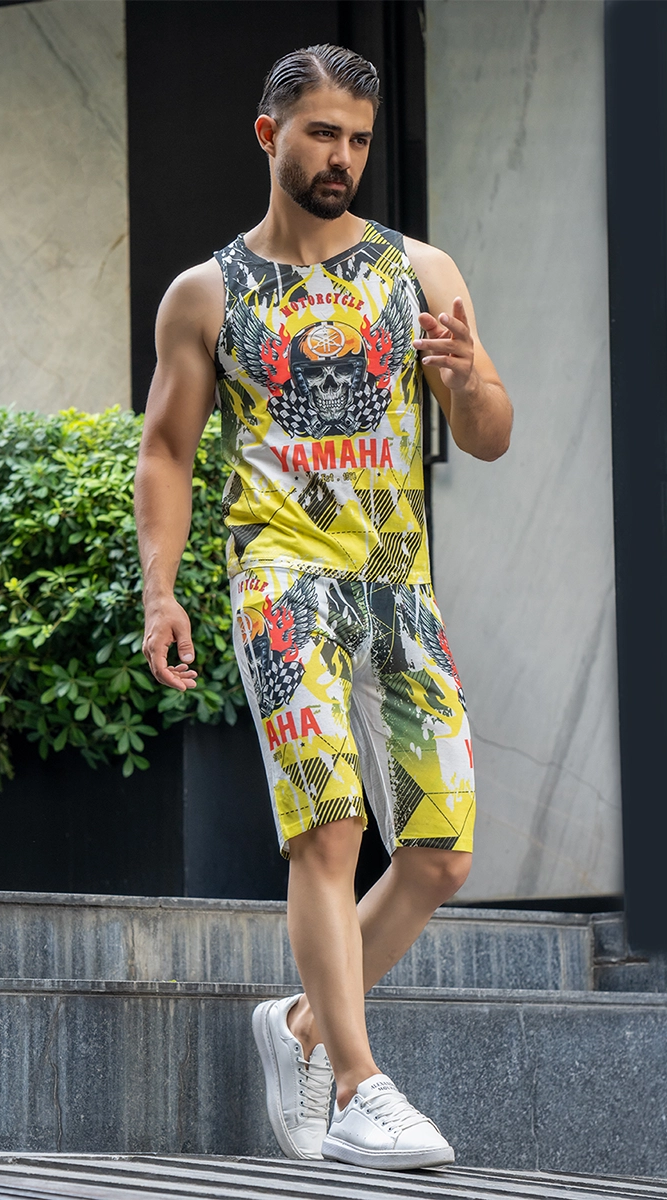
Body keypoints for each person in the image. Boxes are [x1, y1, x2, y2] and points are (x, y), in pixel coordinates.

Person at [134, 43, 513, 1172]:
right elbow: (167, 450)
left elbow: (490, 436)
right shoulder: (208, 294)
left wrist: (470, 377)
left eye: (358, 138)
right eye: (321, 134)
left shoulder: (419, 272)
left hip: (398, 580)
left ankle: (302, 1025)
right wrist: (161, 590)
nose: (342, 156)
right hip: (282, 577)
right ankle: (357, 1083)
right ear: (270, 136)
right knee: (330, 824)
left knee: (441, 851)